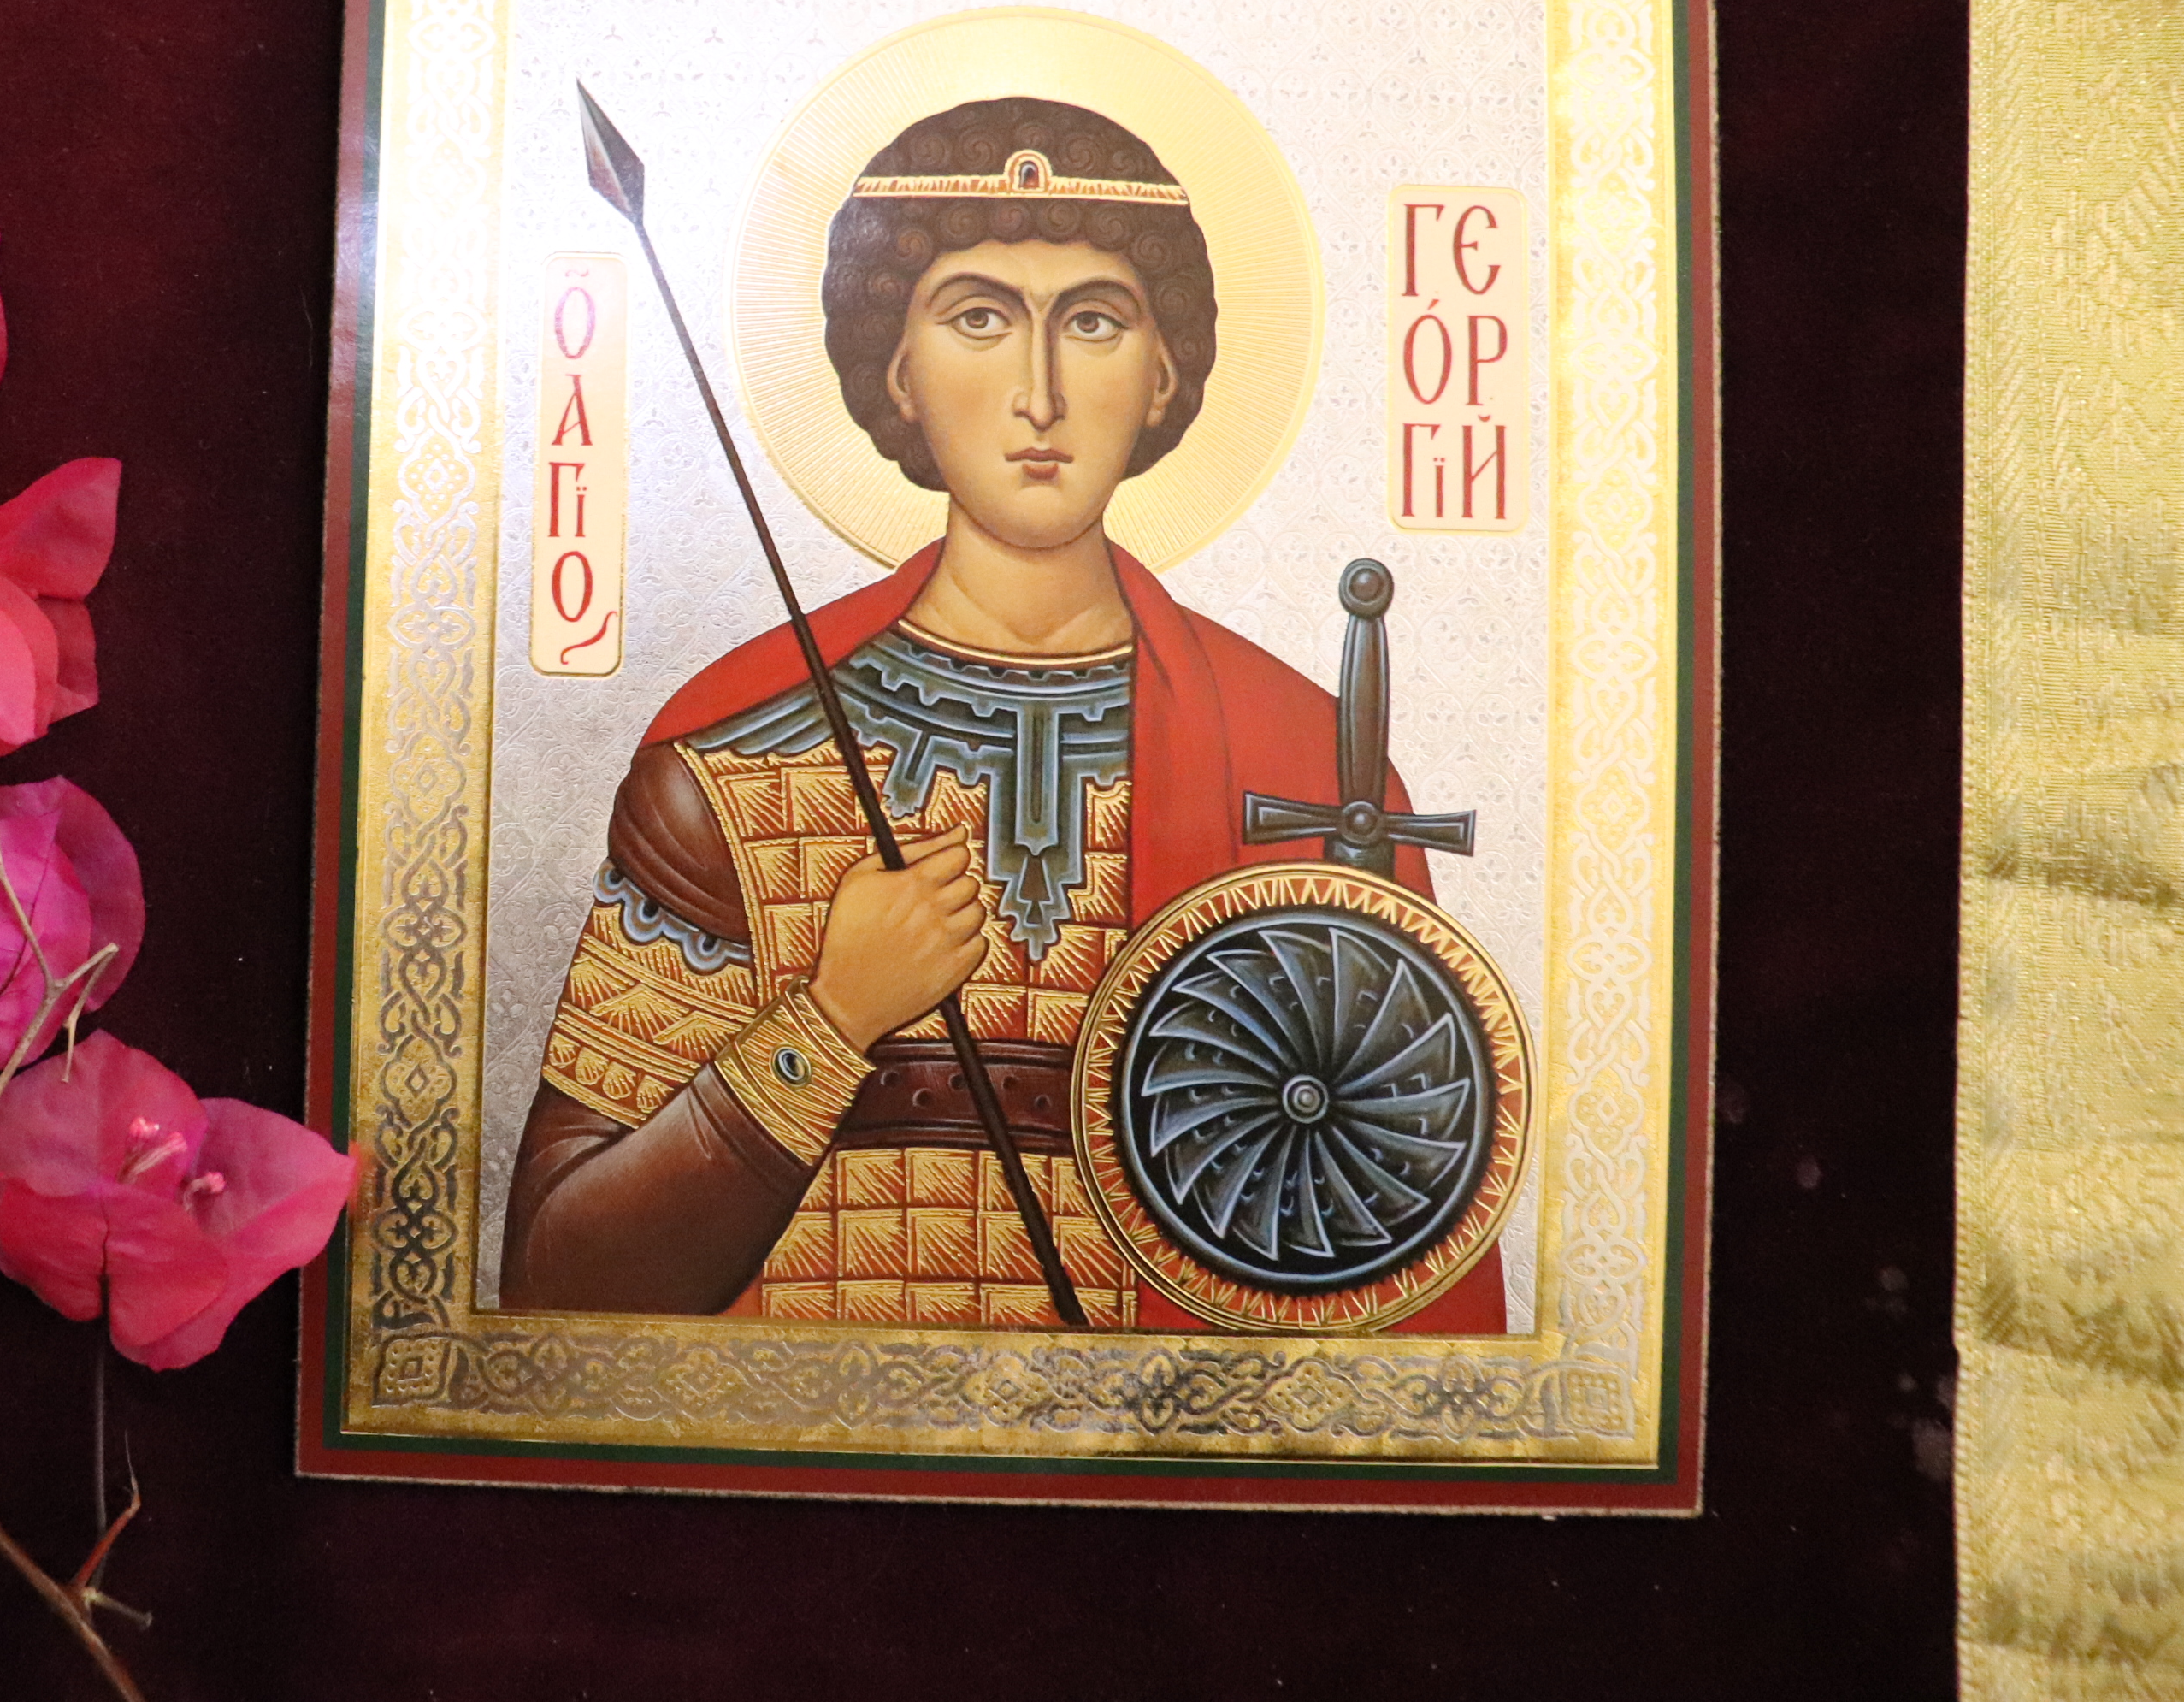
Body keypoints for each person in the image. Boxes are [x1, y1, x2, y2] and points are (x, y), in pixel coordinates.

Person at [499, 94, 1506, 1333]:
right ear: (899, 372)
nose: (1040, 394)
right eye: (979, 317)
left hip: (1173, 1443)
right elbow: (559, 1285)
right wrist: (830, 1021)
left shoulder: (1310, 770)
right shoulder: (731, 763)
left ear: (1163, 374)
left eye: (1094, 321)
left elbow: (1405, 1246)